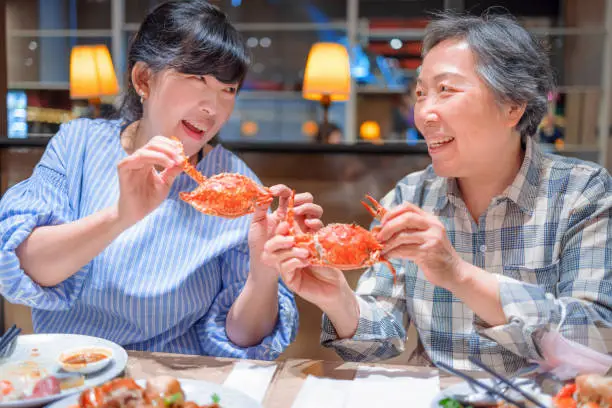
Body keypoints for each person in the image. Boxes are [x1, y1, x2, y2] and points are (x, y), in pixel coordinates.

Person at [262, 11, 612, 374]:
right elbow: (375, 344)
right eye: (420, 94)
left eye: (446, 90)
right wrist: (337, 298)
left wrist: (458, 275)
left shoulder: (579, 192)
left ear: (512, 106)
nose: (424, 113)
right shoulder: (410, 195)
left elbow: (596, 340)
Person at [0, 0, 323, 359]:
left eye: (227, 89)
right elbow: (22, 266)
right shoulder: (78, 144)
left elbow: (243, 339)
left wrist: (264, 270)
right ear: (143, 79)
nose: (212, 107)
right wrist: (120, 216)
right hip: (70, 373)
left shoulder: (235, 186)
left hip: (178, 381)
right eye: (196, 78)